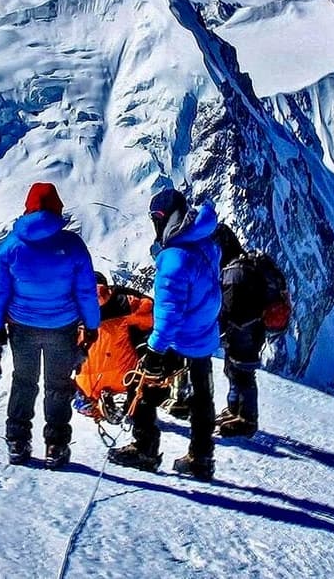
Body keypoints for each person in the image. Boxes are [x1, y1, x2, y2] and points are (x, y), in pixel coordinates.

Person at [0, 182, 100, 470]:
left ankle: (17, 441)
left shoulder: (11, 246)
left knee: (24, 381)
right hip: (62, 326)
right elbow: (86, 290)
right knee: (58, 386)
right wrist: (92, 324)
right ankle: (56, 445)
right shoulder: (72, 245)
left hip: (21, 327)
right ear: (57, 208)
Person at [108, 188, 221, 480]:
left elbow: (169, 314)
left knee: (143, 386)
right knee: (202, 396)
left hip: (180, 337)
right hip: (204, 333)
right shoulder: (206, 241)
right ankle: (201, 456)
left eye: (158, 218)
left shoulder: (174, 259)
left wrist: (155, 350)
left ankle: (145, 449)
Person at [73, 272, 153, 422]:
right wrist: (126, 293)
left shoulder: (73, 309)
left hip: (87, 383)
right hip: (125, 377)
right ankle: (123, 401)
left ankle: (87, 402)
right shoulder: (124, 303)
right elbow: (153, 315)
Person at [213, 223, 266, 438]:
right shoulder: (241, 265)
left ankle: (246, 420)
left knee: (242, 374)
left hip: (243, 335)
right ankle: (235, 411)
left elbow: (231, 308)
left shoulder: (234, 272)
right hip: (250, 333)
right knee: (235, 372)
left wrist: (221, 326)